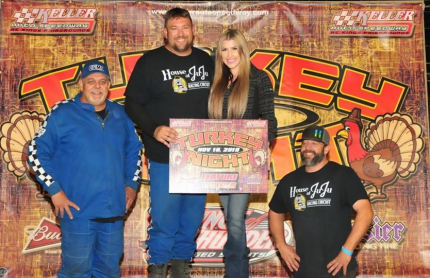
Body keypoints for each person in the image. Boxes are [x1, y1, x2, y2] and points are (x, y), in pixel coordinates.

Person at [27, 60, 143, 278]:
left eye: (102, 81)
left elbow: (134, 150)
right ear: (81, 84)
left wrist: (132, 185)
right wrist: (55, 191)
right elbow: (35, 152)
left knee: (108, 271)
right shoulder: (62, 113)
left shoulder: (122, 114)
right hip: (77, 210)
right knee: (76, 271)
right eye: (91, 81)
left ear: (109, 85)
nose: (97, 87)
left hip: (113, 211)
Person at [123, 7, 214, 278]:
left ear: (193, 30)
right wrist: (154, 128)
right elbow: (132, 103)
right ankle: (158, 268)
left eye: (185, 27)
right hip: (165, 154)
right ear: (165, 32)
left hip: (200, 155)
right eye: (174, 28)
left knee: (192, 219)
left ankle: (182, 268)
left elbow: (226, 95)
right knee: (164, 218)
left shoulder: (206, 60)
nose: (180, 33)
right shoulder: (150, 62)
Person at [208, 29, 277, 278]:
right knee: (231, 218)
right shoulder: (216, 81)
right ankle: (237, 267)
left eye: (234, 48)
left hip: (245, 161)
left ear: (243, 50)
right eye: (224, 49)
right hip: (216, 160)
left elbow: (269, 119)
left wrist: (264, 152)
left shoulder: (258, 78)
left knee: (235, 219)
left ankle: (235, 273)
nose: (229, 54)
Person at [269, 126, 374, 278]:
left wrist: (347, 251)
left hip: (338, 268)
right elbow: (275, 212)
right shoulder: (289, 181)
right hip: (303, 269)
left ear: (326, 149)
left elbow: (366, 212)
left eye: (314, 143)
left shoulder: (343, 175)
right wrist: (281, 244)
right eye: (304, 143)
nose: (307, 148)